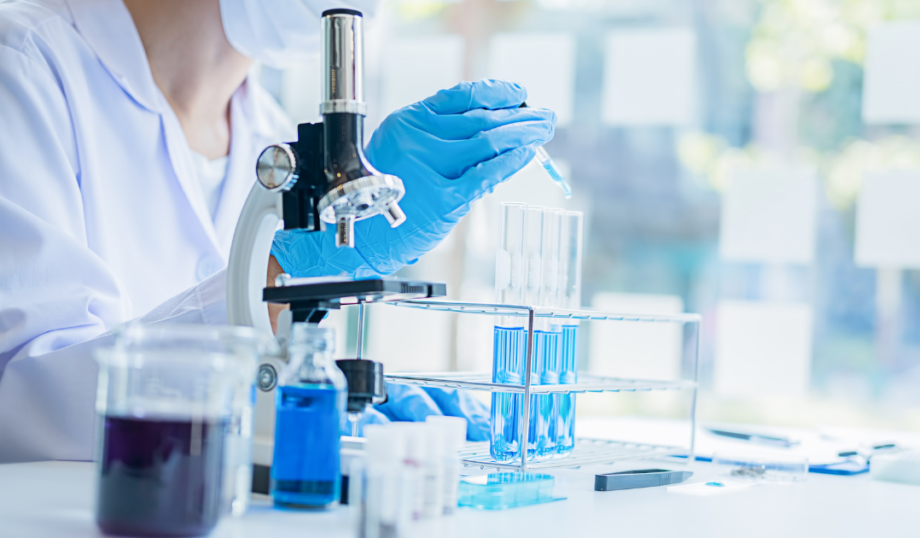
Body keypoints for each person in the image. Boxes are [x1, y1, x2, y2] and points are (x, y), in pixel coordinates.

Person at [0, 0, 556, 462]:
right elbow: (25, 406)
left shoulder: (267, 135)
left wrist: (330, 397)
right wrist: (279, 268)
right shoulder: (21, 65)